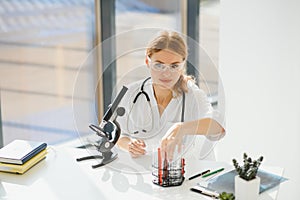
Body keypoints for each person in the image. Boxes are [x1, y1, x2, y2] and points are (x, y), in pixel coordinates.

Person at [116, 30, 225, 160]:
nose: (166, 74)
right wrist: (129, 145)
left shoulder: (192, 95)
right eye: (159, 65)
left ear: (182, 65)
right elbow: (116, 133)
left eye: (174, 66)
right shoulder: (131, 92)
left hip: (185, 173)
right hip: (146, 171)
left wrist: (181, 128)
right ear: (147, 62)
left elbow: (218, 127)